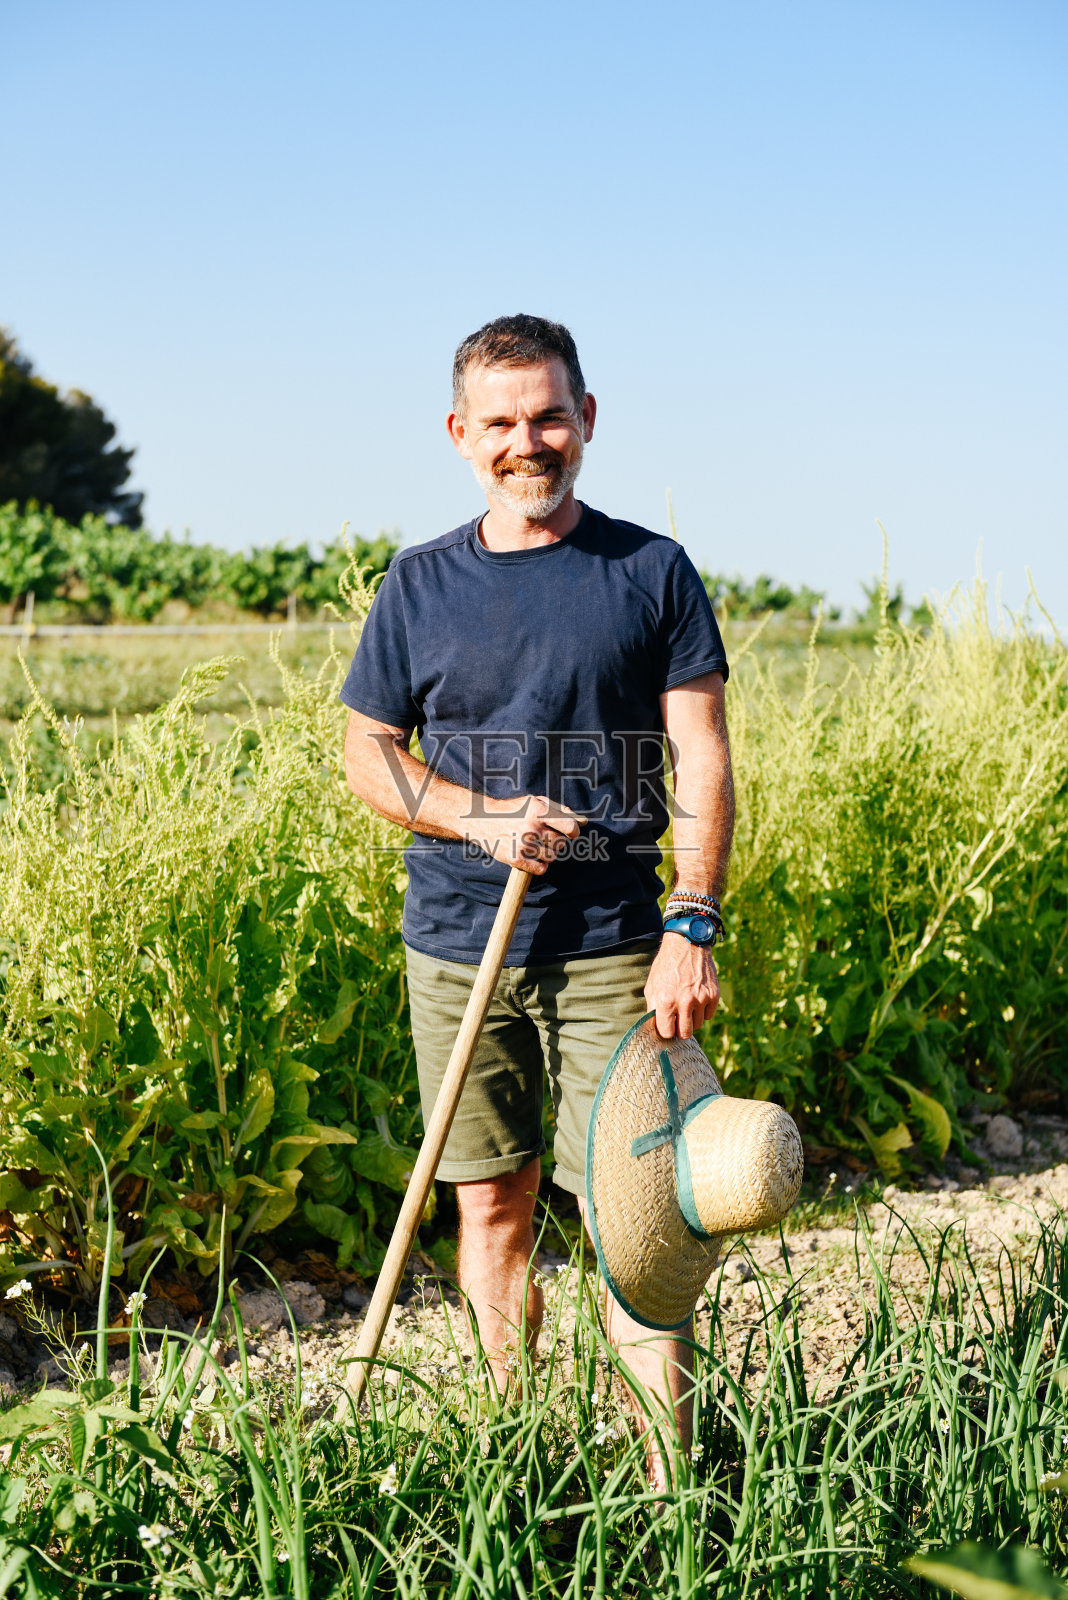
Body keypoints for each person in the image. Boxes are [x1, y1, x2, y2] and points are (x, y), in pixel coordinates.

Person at [341, 313, 734, 1486]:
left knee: (638, 1216)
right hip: (458, 940)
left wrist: (690, 919)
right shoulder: (418, 586)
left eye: (549, 416)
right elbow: (369, 754)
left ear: (588, 419)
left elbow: (703, 760)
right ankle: (513, 1466)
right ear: (461, 434)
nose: (529, 442)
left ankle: (669, 1482)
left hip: (617, 943)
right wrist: (482, 815)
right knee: (492, 1207)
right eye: (501, 423)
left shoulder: (648, 572)